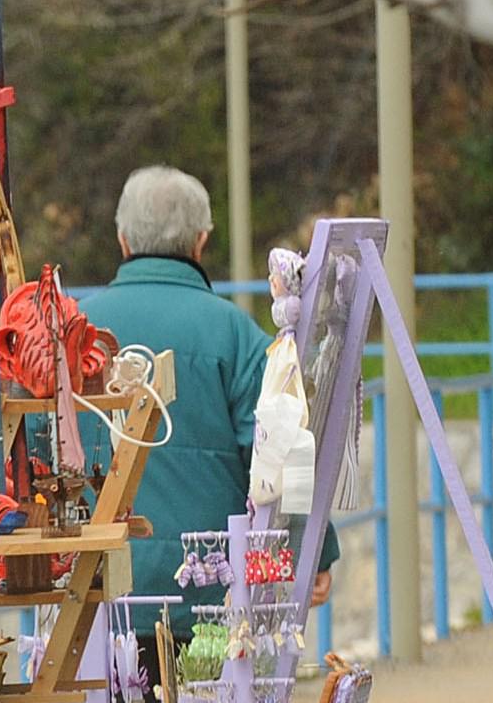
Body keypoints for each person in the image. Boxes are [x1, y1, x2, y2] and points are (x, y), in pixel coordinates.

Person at [78, 167, 334, 649]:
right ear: (200, 241)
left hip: (92, 596)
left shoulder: (74, 329)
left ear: (122, 239)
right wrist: (316, 553)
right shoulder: (236, 336)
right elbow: (280, 455)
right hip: (210, 597)